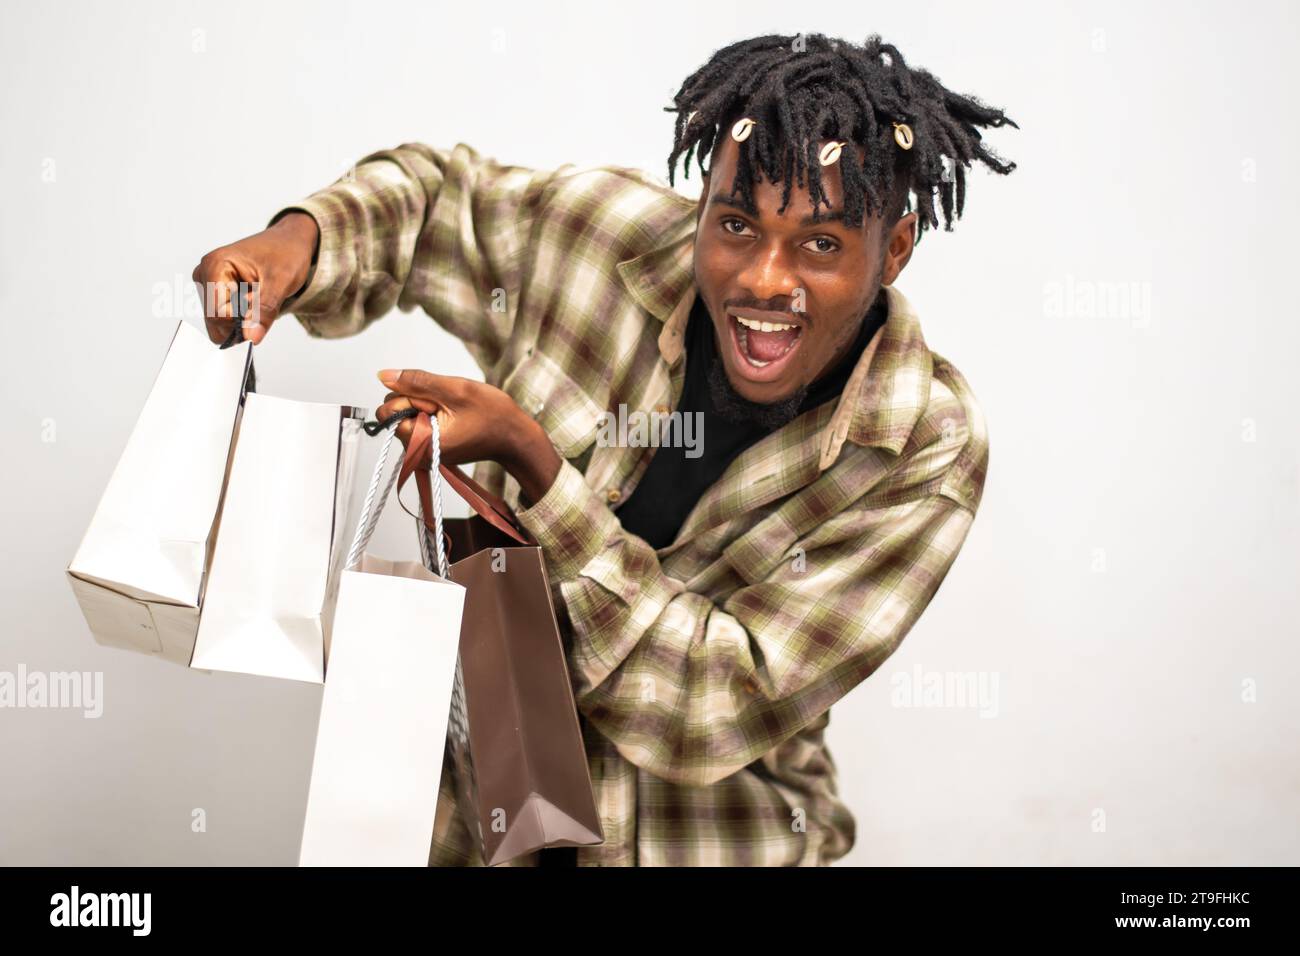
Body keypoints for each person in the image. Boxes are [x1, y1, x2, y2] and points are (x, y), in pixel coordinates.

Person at [192, 32, 1017, 866]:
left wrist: (535, 465)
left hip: (710, 843)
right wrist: (298, 245)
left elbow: (709, 707)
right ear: (701, 208)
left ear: (896, 249)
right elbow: (441, 203)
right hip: (480, 823)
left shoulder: (924, 446)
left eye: (823, 244)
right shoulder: (602, 235)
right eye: (736, 224)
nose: (765, 279)